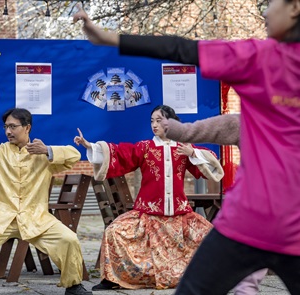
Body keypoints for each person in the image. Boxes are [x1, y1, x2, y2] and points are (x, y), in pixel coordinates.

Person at [72, 0, 300, 293]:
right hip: (246, 224)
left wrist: (108, 38)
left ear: (294, 7)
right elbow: (183, 52)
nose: (265, 11)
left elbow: (181, 48)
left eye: (270, 3)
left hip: (250, 223)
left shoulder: (258, 56)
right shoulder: (258, 57)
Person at [73, 105, 224, 290]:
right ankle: (113, 278)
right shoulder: (145, 148)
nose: (154, 125)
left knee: (213, 237)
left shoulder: (183, 149)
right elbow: (120, 154)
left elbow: (212, 167)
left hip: (180, 216)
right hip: (147, 215)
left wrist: (192, 153)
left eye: (159, 120)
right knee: (114, 231)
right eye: (152, 121)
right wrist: (90, 146)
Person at [0, 108, 92, 295]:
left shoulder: (43, 155)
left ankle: (74, 287)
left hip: (36, 218)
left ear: (27, 127)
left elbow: (73, 154)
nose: (8, 131)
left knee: (69, 239)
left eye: (13, 126)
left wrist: (47, 150)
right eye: (6, 127)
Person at [163, 114, 269, 295]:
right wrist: (176, 130)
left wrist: (176, 130)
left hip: (257, 213)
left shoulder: (248, 122)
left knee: (241, 278)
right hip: (268, 215)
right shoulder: (249, 122)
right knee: (246, 279)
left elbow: (207, 131)